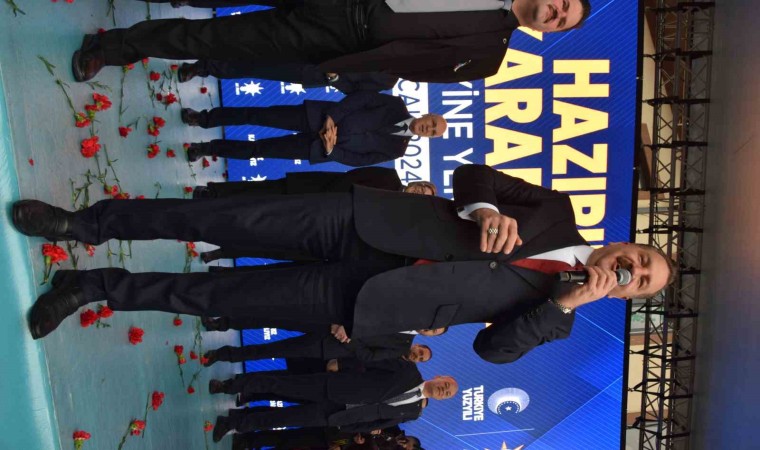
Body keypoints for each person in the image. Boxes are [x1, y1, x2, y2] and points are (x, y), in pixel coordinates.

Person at [13, 164, 674, 363]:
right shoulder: (557, 209)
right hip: (366, 221)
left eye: (640, 283)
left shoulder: (559, 318)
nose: (633, 270)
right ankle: (83, 225)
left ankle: (91, 287)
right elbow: (474, 175)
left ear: (625, 296)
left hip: (369, 300)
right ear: (627, 242)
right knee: (216, 221)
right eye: (642, 259)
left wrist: (562, 304)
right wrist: (484, 211)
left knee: (217, 299)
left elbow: (493, 351)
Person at [73, 0, 592, 84]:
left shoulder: (488, 59)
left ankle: (111, 47)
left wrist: (354, 63)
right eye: (563, 3)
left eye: (562, 21)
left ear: (549, 33)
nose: (556, 12)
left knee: (213, 38)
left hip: (339, 36)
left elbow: (415, 69)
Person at [181, 91, 447, 167]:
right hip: (316, 117)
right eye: (433, 122)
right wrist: (332, 117)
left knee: (257, 150)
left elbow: (359, 161)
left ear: (429, 137)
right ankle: (203, 119)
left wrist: (331, 150)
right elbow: (360, 99)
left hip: (318, 148)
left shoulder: (397, 150)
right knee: (256, 115)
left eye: (433, 132)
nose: (429, 128)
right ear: (428, 114)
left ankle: (205, 149)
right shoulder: (396, 105)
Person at [208, 363, 458, 441]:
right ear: (439, 376)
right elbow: (370, 362)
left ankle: (232, 423)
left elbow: (378, 422)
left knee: (282, 419)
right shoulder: (409, 371)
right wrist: (342, 365)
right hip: (334, 386)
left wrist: (347, 427)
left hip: (338, 416)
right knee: (279, 385)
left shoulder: (413, 413)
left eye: (446, 393)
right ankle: (230, 386)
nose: (443, 390)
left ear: (441, 398)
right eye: (446, 384)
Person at [203, 328, 432, 365]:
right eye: (421, 352)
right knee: (271, 314)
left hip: (331, 345)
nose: (417, 355)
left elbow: (369, 357)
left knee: (274, 350)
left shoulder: (399, 349)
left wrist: (350, 339)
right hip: (330, 320)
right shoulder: (401, 318)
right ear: (420, 343)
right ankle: (221, 320)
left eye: (420, 358)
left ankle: (223, 355)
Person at [176, 60, 398, 95]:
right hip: (314, 44)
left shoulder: (387, 81)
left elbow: (354, 91)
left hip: (312, 72)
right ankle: (203, 63)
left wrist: (334, 78)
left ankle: (203, 67)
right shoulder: (392, 45)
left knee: (254, 68)